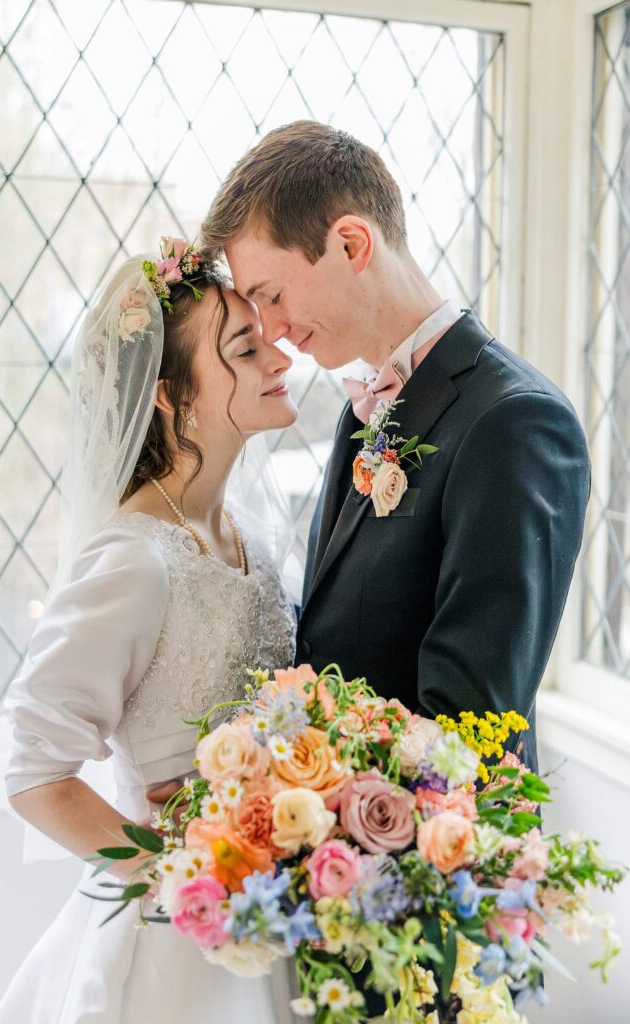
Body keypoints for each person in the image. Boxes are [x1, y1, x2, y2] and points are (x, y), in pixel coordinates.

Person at [198, 120, 591, 779]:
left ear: (352, 244)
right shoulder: (362, 414)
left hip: (439, 864)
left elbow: (469, 729)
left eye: (271, 293)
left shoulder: (515, 423)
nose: (273, 330)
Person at [0, 238, 298, 1024]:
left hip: (266, 916)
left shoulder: (250, 541)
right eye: (245, 348)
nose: (279, 359)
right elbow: (32, 769)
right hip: (172, 949)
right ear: (171, 395)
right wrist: (176, 870)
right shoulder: (134, 559)